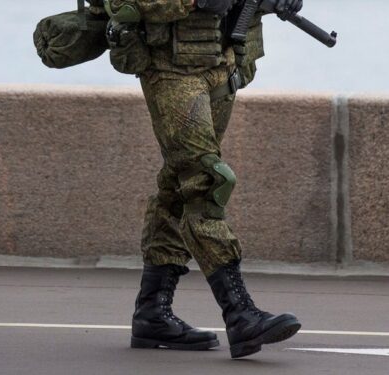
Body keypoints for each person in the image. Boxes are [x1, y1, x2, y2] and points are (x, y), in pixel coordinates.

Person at [99, 0, 303, 358]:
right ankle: (240, 313)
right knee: (205, 181)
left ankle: (152, 314)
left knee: (176, 187)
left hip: (221, 64)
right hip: (170, 68)